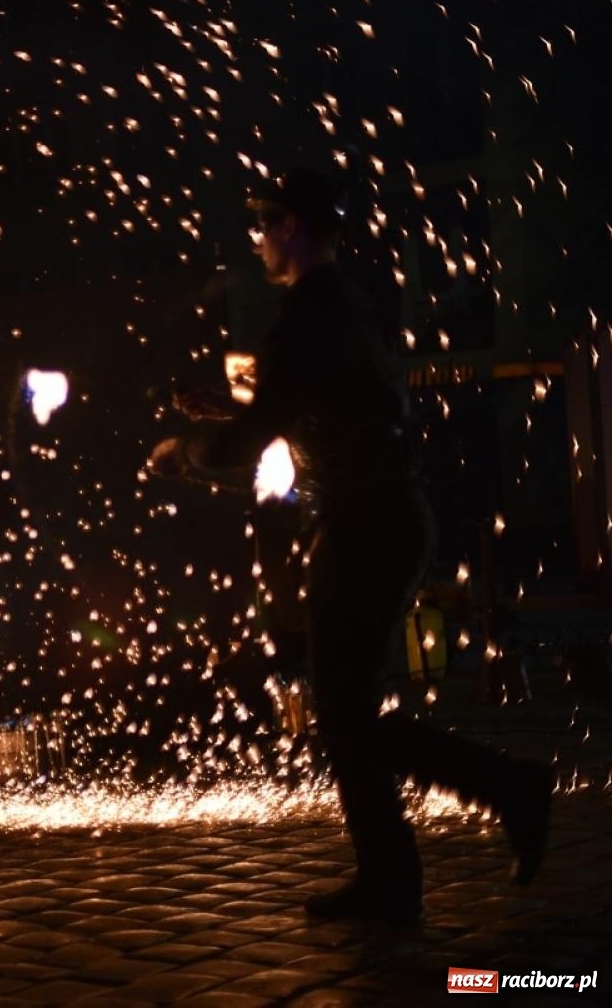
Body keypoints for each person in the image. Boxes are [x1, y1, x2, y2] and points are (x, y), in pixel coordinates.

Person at [147, 169, 552, 923]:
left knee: (344, 713)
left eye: (266, 222)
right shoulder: (341, 309)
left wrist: (186, 450)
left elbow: (251, 439)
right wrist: (232, 409)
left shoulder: (307, 315)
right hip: (383, 520)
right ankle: (394, 874)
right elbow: (316, 411)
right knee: (346, 710)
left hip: (368, 527)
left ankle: (499, 794)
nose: (260, 237)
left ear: (293, 226)